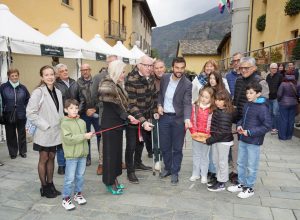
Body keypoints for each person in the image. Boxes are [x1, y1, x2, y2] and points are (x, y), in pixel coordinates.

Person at [99, 60, 139, 194]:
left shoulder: (116, 84)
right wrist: (128, 117)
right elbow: (115, 107)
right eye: (122, 71)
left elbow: (123, 106)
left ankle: (114, 179)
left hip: (117, 125)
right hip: (109, 125)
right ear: (115, 71)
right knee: (109, 156)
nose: (124, 74)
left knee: (116, 155)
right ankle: (109, 182)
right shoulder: (107, 85)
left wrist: (129, 115)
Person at [228, 82, 271, 199]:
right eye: (247, 93)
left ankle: (249, 187)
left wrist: (251, 132)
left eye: (251, 93)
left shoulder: (262, 107)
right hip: (243, 139)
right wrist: (239, 126)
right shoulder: (247, 104)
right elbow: (243, 118)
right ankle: (241, 183)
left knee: (251, 165)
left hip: (254, 141)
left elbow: (267, 126)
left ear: (258, 94)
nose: (248, 95)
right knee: (241, 163)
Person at [26, 65, 64, 198]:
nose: (50, 77)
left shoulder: (58, 92)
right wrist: (45, 125)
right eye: (46, 75)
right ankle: (44, 187)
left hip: (55, 132)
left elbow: (59, 112)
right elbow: (30, 113)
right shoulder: (38, 92)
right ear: (42, 77)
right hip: (44, 131)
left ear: (55, 75)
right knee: (44, 158)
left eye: (51, 74)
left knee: (52, 157)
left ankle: (51, 183)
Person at [231, 57, 269, 183]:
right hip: (239, 120)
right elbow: (235, 100)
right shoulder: (238, 80)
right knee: (237, 148)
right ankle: (236, 172)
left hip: (253, 122)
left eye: (246, 67)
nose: (243, 70)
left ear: (254, 68)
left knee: (250, 152)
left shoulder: (261, 82)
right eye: (241, 67)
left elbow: (264, 102)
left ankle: (248, 178)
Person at [158, 57, 192, 185]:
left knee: (177, 148)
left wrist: (187, 118)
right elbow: (160, 94)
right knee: (165, 146)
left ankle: (175, 172)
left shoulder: (187, 84)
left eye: (182, 68)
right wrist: (159, 105)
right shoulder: (165, 78)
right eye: (177, 68)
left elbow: (187, 103)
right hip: (164, 118)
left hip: (178, 119)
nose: (179, 70)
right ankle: (167, 168)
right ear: (172, 67)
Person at [125, 55, 156, 184]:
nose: (149, 68)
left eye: (150, 66)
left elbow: (153, 97)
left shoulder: (151, 78)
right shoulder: (131, 80)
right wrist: (142, 121)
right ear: (139, 65)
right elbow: (131, 104)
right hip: (134, 119)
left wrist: (154, 111)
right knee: (131, 145)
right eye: (146, 65)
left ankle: (138, 163)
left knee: (141, 142)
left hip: (146, 118)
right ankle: (130, 171)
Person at [61, 99, 92, 210]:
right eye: (71, 108)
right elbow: (68, 139)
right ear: (66, 110)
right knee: (69, 178)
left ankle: (78, 194)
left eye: (76, 108)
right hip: (72, 156)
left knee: (80, 176)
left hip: (82, 154)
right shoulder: (64, 123)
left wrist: (87, 136)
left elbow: (83, 137)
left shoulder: (82, 122)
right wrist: (84, 136)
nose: (74, 110)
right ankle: (65, 198)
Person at [91, 55, 118, 175]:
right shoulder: (98, 77)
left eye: (115, 62)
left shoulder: (121, 76)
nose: (113, 65)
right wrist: (101, 105)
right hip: (105, 113)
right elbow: (93, 95)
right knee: (104, 139)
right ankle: (102, 163)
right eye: (111, 62)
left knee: (117, 139)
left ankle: (117, 161)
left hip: (119, 115)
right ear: (107, 63)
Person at [205, 90, 234, 192]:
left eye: (220, 100)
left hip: (223, 141)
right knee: (216, 160)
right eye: (216, 99)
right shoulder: (218, 110)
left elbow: (222, 132)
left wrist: (209, 140)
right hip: (216, 140)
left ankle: (222, 182)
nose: (217, 102)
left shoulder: (226, 113)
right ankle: (218, 178)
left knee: (222, 162)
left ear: (226, 101)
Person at [54, 63, 79, 175]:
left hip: (75, 115)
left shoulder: (74, 82)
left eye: (66, 70)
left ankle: (71, 163)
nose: (65, 72)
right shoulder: (55, 85)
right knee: (61, 141)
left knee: (73, 140)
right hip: (62, 116)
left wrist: (78, 112)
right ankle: (61, 165)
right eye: (62, 71)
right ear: (58, 74)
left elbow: (80, 98)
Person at [0, 68, 30, 159]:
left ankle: (22, 151)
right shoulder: (3, 87)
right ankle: (13, 153)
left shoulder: (23, 87)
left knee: (22, 133)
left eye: (16, 75)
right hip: (8, 114)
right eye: (12, 75)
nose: (14, 77)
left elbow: (28, 99)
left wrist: (24, 108)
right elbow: (1, 100)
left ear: (18, 76)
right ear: (9, 76)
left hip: (21, 113)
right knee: (10, 134)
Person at [189, 87, 214, 184]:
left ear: (211, 98)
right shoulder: (195, 107)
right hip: (196, 135)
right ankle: (195, 173)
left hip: (206, 137)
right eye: (202, 96)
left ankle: (204, 174)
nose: (203, 99)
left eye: (206, 97)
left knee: (205, 156)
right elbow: (192, 120)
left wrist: (209, 135)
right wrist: (193, 132)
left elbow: (213, 124)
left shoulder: (212, 109)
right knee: (196, 154)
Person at [77, 63, 101, 166]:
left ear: (90, 70)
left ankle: (102, 157)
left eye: (87, 69)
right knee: (86, 136)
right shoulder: (77, 83)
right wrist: (84, 110)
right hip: (84, 114)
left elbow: (101, 96)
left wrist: (95, 109)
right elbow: (76, 99)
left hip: (97, 112)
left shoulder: (97, 81)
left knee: (100, 134)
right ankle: (87, 157)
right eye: (83, 70)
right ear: (80, 71)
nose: (85, 72)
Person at [277, 71, 300, 140]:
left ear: (286, 75)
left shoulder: (283, 84)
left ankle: (283, 136)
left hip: (284, 104)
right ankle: (289, 136)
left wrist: (279, 100)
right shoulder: (297, 84)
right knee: (291, 120)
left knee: (283, 120)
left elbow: (279, 94)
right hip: (294, 104)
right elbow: (299, 95)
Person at [152, 59, 166, 171]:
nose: (159, 70)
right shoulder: (151, 81)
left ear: (164, 68)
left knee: (167, 137)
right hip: (155, 112)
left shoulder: (170, 79)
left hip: (169, 113)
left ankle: (166, 158)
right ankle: (157, 159)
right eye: (156, 68)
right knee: (156, 137)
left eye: (161, 67)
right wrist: (155, 109)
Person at [266, 63, 283, 135]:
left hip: (276, 98)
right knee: (270, 113)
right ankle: (271, 127)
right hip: (269, 97)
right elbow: (266, 86)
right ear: (270, 69)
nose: (274, 70)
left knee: (275, 113)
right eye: (273, 68)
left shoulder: (280, 76)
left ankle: (276, 128)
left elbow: (281, 87)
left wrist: (279, 96)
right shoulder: (268, 76)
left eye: (276, 68)